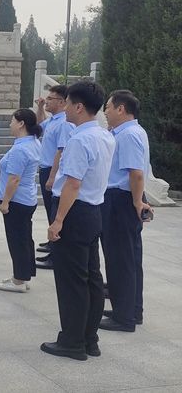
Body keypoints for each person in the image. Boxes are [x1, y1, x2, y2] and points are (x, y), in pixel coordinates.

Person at [41, 80, 115, 361]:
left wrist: (58, 220)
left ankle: (72, 341)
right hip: (93, 210)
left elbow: (72, 183)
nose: (65, 108)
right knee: (91, 277)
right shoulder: (105, 136)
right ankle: (89, 339)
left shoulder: (79, 140)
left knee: (72, 280)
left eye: (69, 103)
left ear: (79, 107)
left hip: (74, 211)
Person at [100, 90, 152, 332]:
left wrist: (137, 202)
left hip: (121, 199)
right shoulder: (129, 132)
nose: (105, 112)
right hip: (123, 198)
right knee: (128, 258)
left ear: (121, 109)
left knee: (120, 259)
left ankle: (124, 317)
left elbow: (136, 173)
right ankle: (130, 309)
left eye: (108, 107)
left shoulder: (129, 134)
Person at [0, 109, 42, 293]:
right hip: (27, 198)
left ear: (21, 124)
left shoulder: (21, 149)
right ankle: (24, 274)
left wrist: (5, 202)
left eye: (12, 121)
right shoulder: (32, 142)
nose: (10, 124)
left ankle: (19, 280)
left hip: (17, 201)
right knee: (24, 238)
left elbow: (14, 179)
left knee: (17, 240)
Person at [35, 85, 74, 270]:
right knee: (50, 211)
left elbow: (61, 151)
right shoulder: (53, 120)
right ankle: (52, 247)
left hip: (53, 170)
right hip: (46, 168)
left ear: (62, 102)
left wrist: (52, 177)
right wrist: (40, 108)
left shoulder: (64, 123)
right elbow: (38, 127)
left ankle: (56, 255)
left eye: (50, 99)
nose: (47, 101)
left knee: (54, 211)